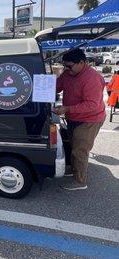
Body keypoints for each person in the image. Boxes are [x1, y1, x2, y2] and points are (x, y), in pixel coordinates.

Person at [53, 48, 106, 191]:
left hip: (89, 119)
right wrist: (43, 86)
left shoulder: (92, 78)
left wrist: (67, 109)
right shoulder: (69, 73)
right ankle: (76, 170)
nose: (66, 69)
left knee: (79, 151)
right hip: (73, 117)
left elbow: (92, 105)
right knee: (73, 144)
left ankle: (80, 181)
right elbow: (57, 86)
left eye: (69, 66)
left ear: (81, 62)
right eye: (65, 65)